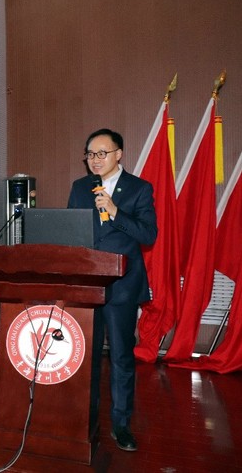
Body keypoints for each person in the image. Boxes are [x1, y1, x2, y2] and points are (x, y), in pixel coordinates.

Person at [67, 128, 157, 452]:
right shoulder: (80, 187)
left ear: (119, 154)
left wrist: (116, 211)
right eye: (90, 154)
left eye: (102, 153)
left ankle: (121, 424)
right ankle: (85, 419)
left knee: (120, 356)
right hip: (87, 285)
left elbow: (148, 235)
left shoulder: (139, 188)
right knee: (85, 356)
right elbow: (72, 232)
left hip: (122, 286)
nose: (95, 160)